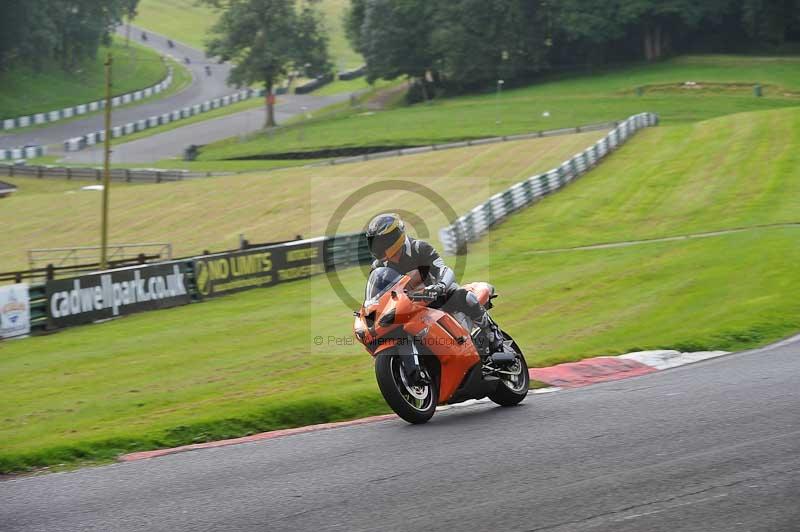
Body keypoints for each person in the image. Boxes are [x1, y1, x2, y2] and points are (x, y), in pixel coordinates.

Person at [365, 213, 504, 355]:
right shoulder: (379, 266)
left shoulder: (419, 249)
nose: (377, 247)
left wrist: (440, 286)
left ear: (394, 237)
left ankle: (492, 333)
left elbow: (443, 270)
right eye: (374, 242)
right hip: (407, 309)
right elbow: (377, 295)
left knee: (464, 296)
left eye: (381, 242)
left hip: (438, 300)